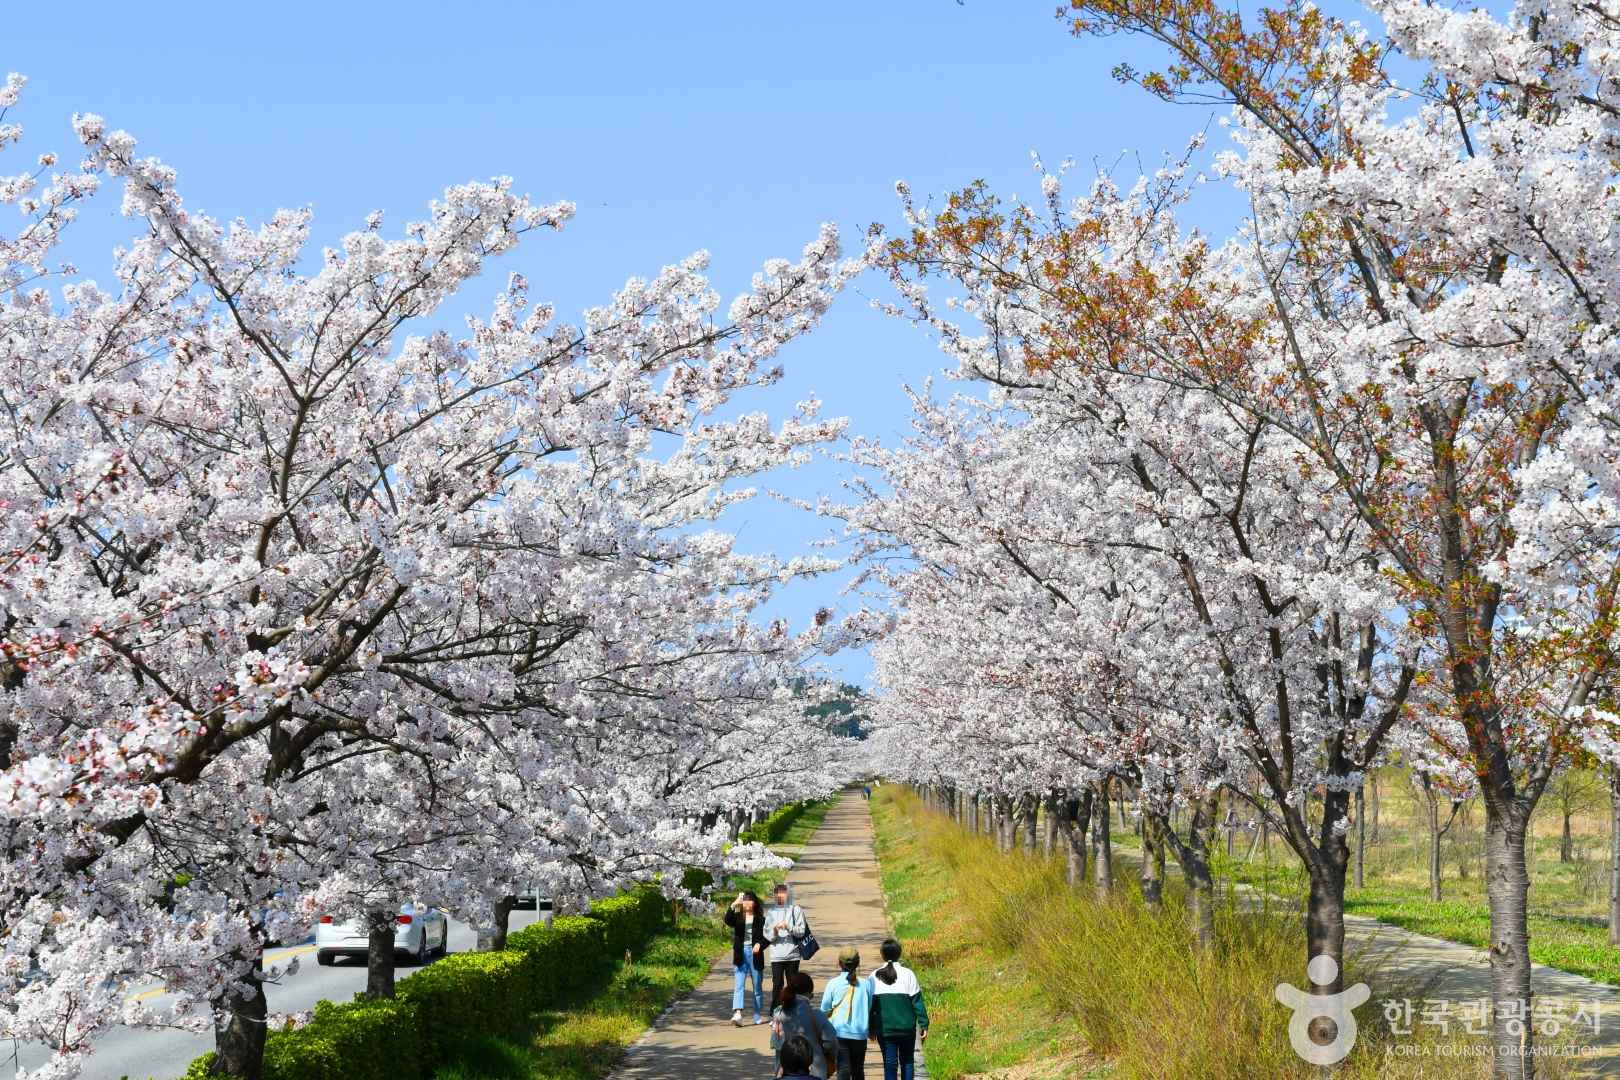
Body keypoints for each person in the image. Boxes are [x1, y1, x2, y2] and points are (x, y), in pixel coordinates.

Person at [867, 938, 928, 1080]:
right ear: (899, 954)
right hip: (907, 1028)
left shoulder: (873, 976)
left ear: (882, 954)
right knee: (907, 1062)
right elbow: (917, 1002)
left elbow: (870, 1006)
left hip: (885, 1029)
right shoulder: (909, 974)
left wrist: (870, 1028)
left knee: (890, 1064)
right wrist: (924, 1024)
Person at [772, 971, 838, 1079]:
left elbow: (777, 1045)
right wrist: (830, 1056)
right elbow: (831, 1042)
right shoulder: (817, 1015)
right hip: (815, 1072)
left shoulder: (778, 1014)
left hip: (784, 1073)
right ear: (809, 993)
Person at [820, 945, 872, 1080]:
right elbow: (869, 1007)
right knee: (858, 1070)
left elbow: (824, 1009)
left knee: (843, 1070)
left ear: (839, 963)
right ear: (858, 963)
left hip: (839, 1033)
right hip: (860, 1034)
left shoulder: (833, 983)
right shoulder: (866, 984)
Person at [723, 889, 767, 1025]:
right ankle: (737, 1013)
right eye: (745, 900)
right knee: (739, 985)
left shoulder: (761, 920)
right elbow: (727, 920)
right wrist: (734, 903)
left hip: (755, 955)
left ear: (755, 903)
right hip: (740, 954)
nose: (747, 903)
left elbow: (767, 937)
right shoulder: (737, 917)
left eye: (750, 900)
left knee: (757, 986)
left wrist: (760, 944)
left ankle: (757, 1013)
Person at [764, 880, 807, 1012]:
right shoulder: (771, 912)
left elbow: (801, 931)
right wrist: (775, 932)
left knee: (792, 985)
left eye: (783, 893)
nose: (780, 895)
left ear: (789, 894)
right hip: (776, 955)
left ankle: (793, 1011)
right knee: (777, 985)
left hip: (793, 954)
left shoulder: (796, 910)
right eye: (777, 893)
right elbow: (767, 935)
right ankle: (775, 1012)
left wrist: (789, 927)